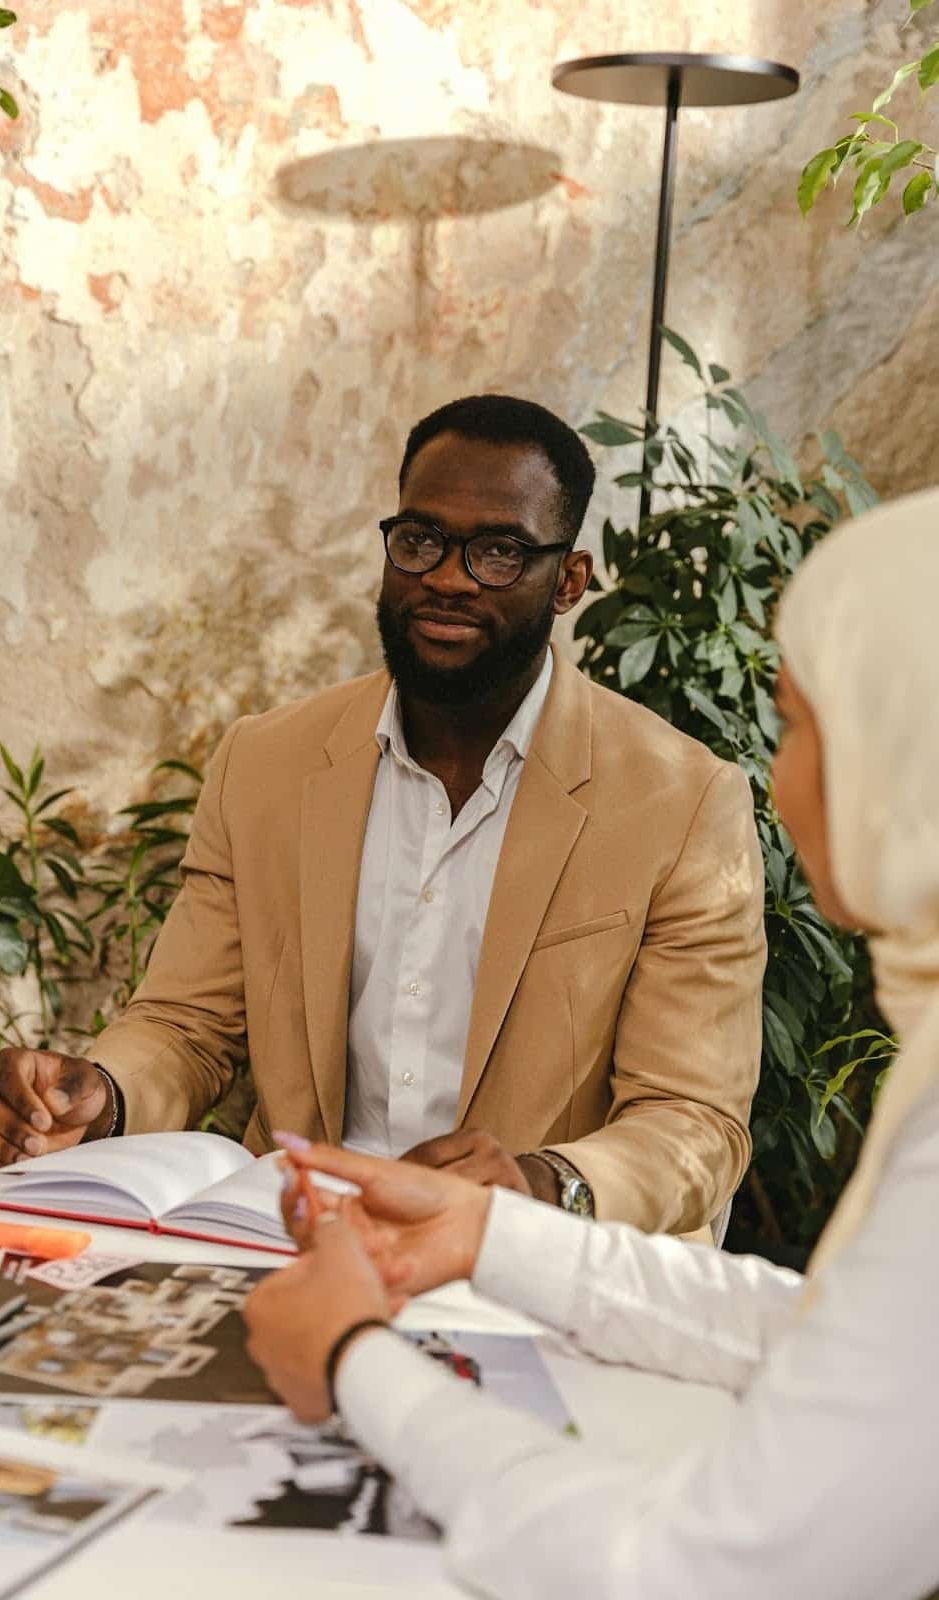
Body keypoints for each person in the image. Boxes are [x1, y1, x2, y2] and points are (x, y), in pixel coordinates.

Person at [243, 487, 939, 1600]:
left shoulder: (672, 791)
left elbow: (675, 1571)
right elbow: (840, 1342)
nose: (785, 776)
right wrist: (486, 1233)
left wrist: (350, 1361)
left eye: (806, 725)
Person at [0, 394, 765, 1239]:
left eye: (499, 550)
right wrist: (101, 1093)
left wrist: (544, 1183)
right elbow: (187, 1024)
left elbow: (695, 1120)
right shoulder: (267, 764)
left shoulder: (681, 801)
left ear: (568, 580)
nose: (449, 578)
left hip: (538, 1269)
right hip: (290, 1243)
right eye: (420, 539)